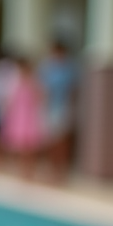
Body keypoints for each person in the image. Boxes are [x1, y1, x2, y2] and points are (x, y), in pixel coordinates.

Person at [38, 40, 77, 184]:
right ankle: (51, 169)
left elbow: (73, 90)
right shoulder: (46, 67)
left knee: (62, 141)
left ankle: (62, 171)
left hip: (63, 108)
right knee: (49, 141)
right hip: (48, 108)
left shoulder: (69, 68)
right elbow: (41, 89)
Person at [0, 56, 43, 181]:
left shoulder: (33, 82)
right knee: (18, 146)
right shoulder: (14, 82)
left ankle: (29, 171)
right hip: (18, 118)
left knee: (29, 147)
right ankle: (21, 170)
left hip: (29, 118)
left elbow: (39, 99)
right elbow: (9, 101)